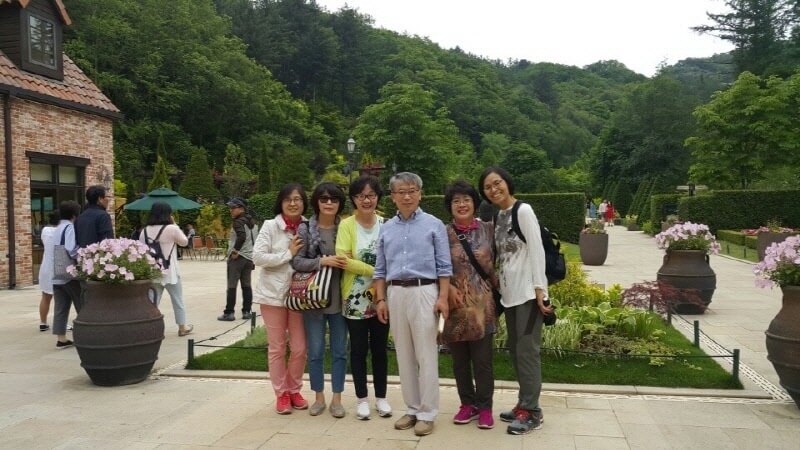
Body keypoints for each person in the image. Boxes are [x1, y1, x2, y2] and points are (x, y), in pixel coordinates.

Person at [372, 172, 452, 437]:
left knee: (426, 354)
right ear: (393, 196)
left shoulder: (434, 224)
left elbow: (444, 266)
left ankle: (428, 413)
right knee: (403, 354)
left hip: (424, 291)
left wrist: (442, 297)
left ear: (420, 194)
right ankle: (412, 408)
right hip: (395, 293)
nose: (407, 196)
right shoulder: (386, 228)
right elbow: (380, 269)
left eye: (411, 191)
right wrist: (380, 299)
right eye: (401, 192)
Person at [479, 166, 552, 435]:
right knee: (516, 351)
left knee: (527, 352)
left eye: (497, 183)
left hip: (528, 294)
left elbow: (537, 250)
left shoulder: (523, 210)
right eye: (488, 187)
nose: (494, 189)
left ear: (507, 183)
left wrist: (541, 290)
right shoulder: (499, 215)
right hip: (510, 296)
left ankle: (532, 412)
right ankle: (524, 403)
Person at [336, 176, 392, 420]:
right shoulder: (346, 225)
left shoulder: (387, 224)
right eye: (360, 196)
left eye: (370, 195)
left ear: (378, 197)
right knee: (358, 350)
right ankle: (361, 399)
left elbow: (392, 258)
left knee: (380, 349)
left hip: (382, 297)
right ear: (353, 199)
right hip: (354, 298)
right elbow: (343, 260)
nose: (366, 200)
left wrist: (366, 268)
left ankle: (381, 397)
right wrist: (376, 270)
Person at [442, 181, 498, 430]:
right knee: (460, 361)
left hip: (483, 305)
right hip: (455, 305)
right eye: (456, 201)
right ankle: (467, 404)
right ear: (450, 206)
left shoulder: (488, 229)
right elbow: (434, 264)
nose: (462, 204)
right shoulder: (442, 233)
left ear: (474, 203)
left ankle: (485, 407)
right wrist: (446, 288)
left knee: (483, 360)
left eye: (466, 199)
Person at [291, 182, 349, 418]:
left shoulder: (346, 227)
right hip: (313, 300)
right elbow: (296, 262)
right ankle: (318, 397)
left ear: (340, 203)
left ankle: (337, 399)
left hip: (340, 299)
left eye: (334, 199)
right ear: (316, 202)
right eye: (324, 199)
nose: (329, 203)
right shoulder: (305, 229)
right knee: (315, 351)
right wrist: (322, 261)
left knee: (339, 351)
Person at [252, 183, 308, 415]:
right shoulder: (270, 226)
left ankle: (294, 389)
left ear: (303, 202)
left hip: (299, 296)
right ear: (281, 203)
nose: (293, 203)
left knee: (299, 347)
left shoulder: (307, 226)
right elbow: (257, 257)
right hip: (272, 295)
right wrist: (288, 254)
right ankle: (281, 393)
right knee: (277, 347)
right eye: (288, 199)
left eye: (297, 199)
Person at [139, 202, 193, 337]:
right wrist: (175, 225)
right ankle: (182, 327)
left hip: (154, 270)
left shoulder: (144, 231)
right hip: (171, 271)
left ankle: (148, 327)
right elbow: (184, 242)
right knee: (177, 299)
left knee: (152, 301)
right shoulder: (172, 228)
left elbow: (141, 249)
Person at [218, 198, 259, 321]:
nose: (230, 210)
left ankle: (229, 313)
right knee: (246, 285)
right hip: (249, 258)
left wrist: (235, 250)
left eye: (233, 207)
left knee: (232, 285)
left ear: (241, 208)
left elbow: (241, 236)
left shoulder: (238, 222)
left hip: (238, 258)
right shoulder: (253, 222)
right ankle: (247, 311)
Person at [49, 201, 82, 349]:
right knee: (82, 304)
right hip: (69, 272)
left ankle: (61, 338)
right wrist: (80, 255)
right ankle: (84, 334)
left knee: (60, 307)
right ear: (74, 215)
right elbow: (70, 248)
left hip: (57, 272)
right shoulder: (69, 227)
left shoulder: (57, 228)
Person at [38, 212, 60, 332]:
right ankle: (60, 324)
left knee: (45, 296)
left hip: (45, 267)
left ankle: (43, 323)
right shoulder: (62, 231)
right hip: (58, 267)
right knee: (60, 299)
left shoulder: (45, 231)